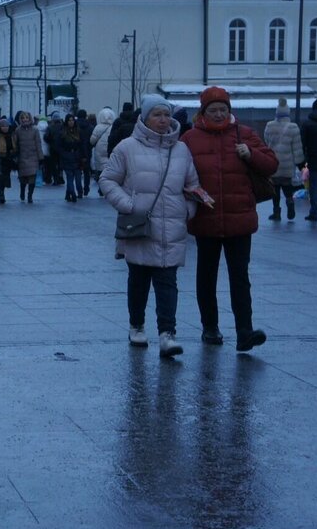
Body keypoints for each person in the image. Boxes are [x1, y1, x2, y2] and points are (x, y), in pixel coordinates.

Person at [100, 95, 205, 357]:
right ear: (145, 118)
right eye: (157, 114)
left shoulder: (180, 150)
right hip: (139, 227)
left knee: (167, 281)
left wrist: (188, 209)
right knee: (138, 280)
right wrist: (128, 204)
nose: (163, 120)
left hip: (172, 229)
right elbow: (107, 180)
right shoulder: (127, 147)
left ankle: (167, 334)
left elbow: (192, 185)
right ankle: (137, 326)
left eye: (166, 114)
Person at [181, 86, 277, 352]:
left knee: (240, 276)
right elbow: (179, 174)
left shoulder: (244, 134)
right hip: (206, 218)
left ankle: (244, 331)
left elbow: (271, 164)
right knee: (206, 277)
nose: (219, 114)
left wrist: (252, 154)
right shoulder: (189, 139)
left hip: (239, 219)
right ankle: (210, 328)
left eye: (223, 109)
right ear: (203, 112)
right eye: (214, 110)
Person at [263, 97, 305, 221]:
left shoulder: (269, 126)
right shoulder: (293, 127)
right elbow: (297, 148)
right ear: (288, 113)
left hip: (273, 162)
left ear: (277, 113)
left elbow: (266, 141)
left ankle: (276, 212)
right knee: (287, 186)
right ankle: (290, 202)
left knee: (275, 189)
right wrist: (300, 163)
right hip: (287, 164)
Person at [14, 110, 43, 203]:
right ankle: (22, 191)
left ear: (30, 118)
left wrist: (41, 157)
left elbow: (38, 144)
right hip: (22, 156)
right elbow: (15, 144)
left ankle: (30, 195)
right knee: (23, 178)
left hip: (33, 157)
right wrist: (15, 156)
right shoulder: (18, 130)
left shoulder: (35, 130)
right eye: (23, 118)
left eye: (26, 117)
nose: (25, 119)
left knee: (32, 178)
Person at [89, 106, 116, 194]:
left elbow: (92, 141)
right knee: (109, 170)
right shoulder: (114, 127)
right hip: (110, 149)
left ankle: (101, 188)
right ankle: (107, 187)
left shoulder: (98, 127)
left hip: (99, 151)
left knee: (101, 170)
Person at [59, 114, 84, 202]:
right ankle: (72, 193)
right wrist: (64, 154)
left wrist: (82, 156)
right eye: (69, 120)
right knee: (69, 177)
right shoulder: (63, 132)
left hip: (77, 157)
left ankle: (76, 192)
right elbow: (59, 146)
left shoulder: (78, 131)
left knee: (77, 178)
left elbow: (82, 144)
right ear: (66, 121)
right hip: (67, 157)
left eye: (72, 120)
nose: (71, 122)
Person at [0, 117, 17, 204]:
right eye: (3, 126)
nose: (5, 128)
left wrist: (13, 153)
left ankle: (2, 192)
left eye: (6, 126)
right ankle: (1, 194)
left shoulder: (12, 135)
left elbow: (15, 146)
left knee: (5, 177)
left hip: (8, 159)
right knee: (0, 177)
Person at [77, 108, 95, 196]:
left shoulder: (74, 126)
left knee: (77, 171)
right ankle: (86, 188)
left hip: (76, 151)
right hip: (87, 150)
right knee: (86, 171)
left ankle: (79, 188)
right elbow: (93, 140)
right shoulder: (90, 126)